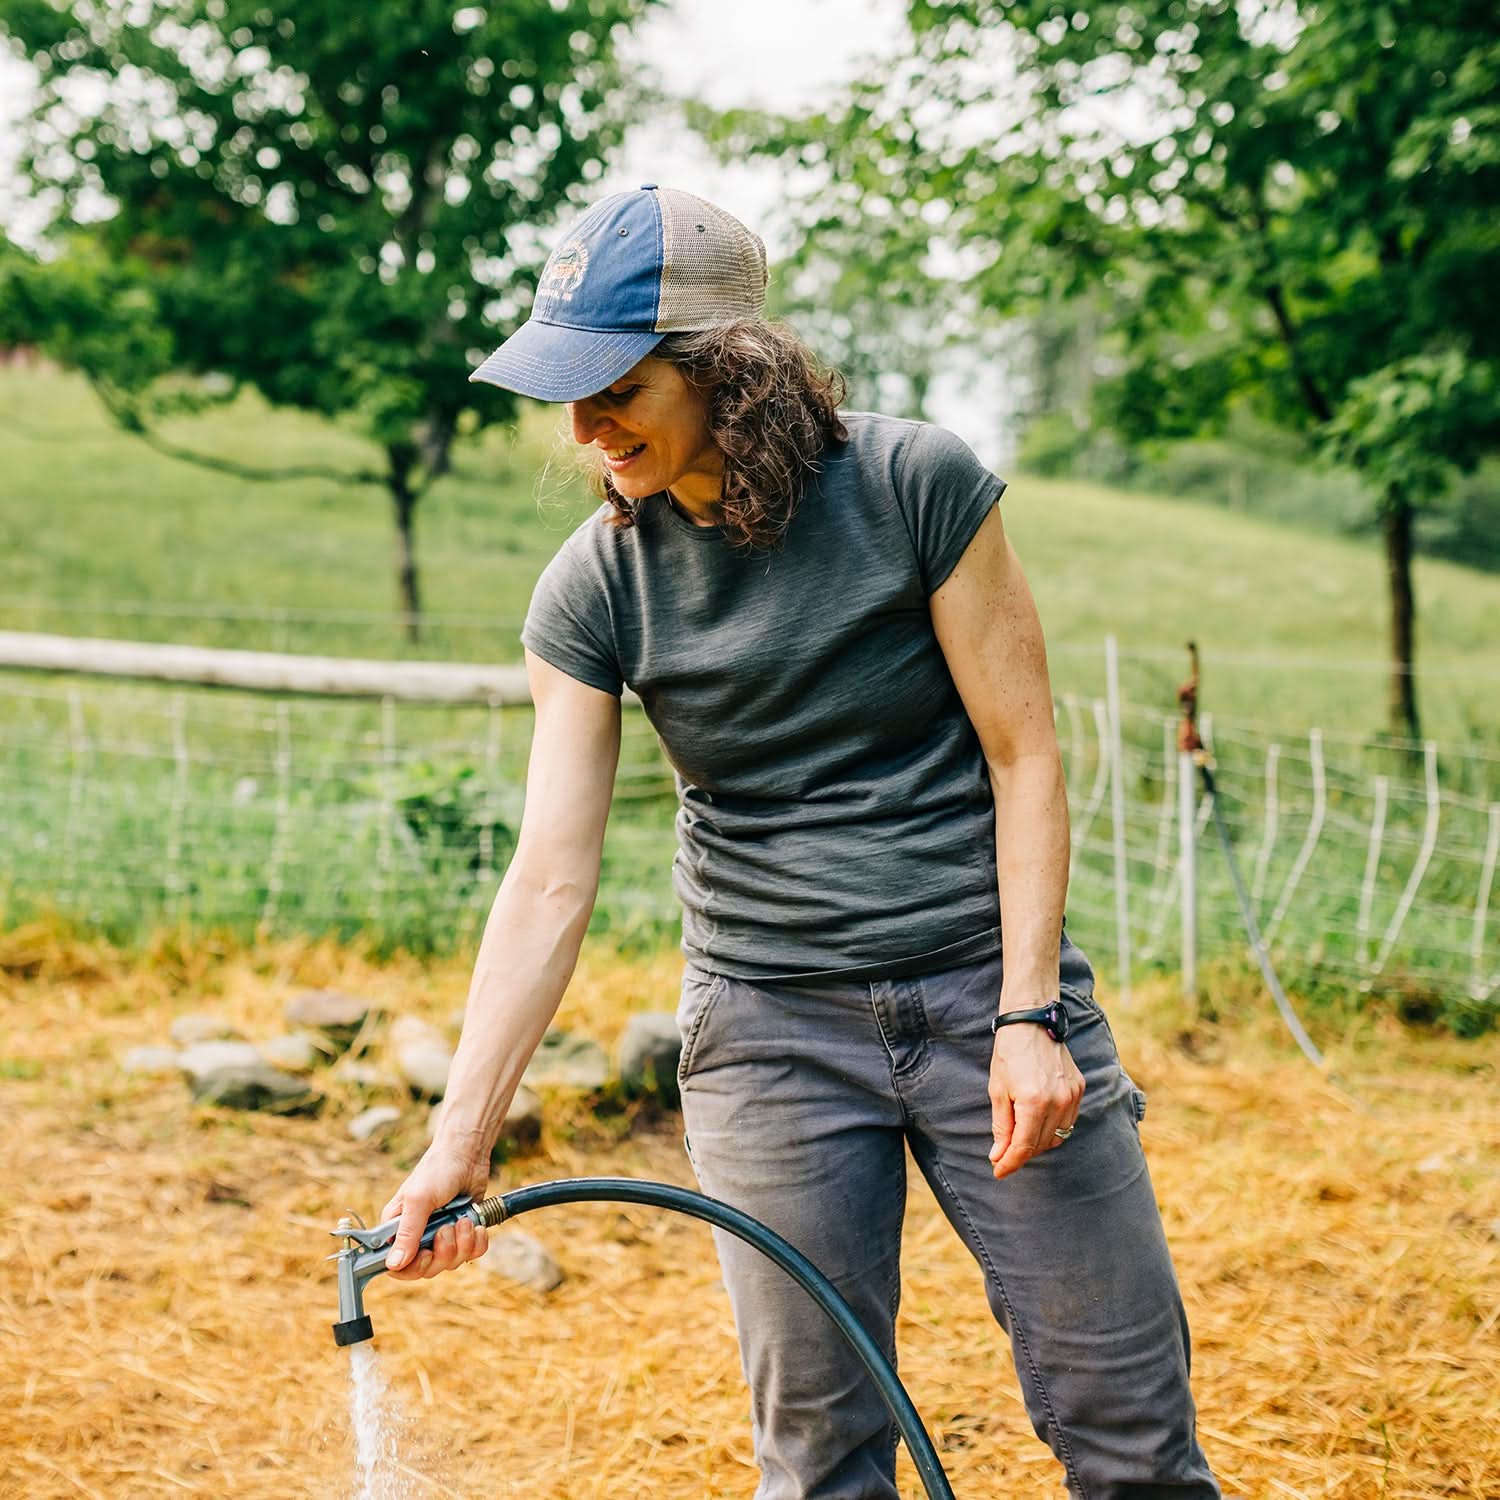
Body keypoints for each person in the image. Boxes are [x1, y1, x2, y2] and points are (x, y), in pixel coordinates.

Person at [377, 184, 1220, 1499]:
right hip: (769, 1031)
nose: (587, 428)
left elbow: (1025, 753)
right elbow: (549, 875)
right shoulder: (598, 585)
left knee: (1131, 1436)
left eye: (617, 386)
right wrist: (459, 1138)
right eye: (567, 392)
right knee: (821, 1461)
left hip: (981, 992)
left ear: (725, 367)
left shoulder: (912, 485)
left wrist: (1030, 1013)